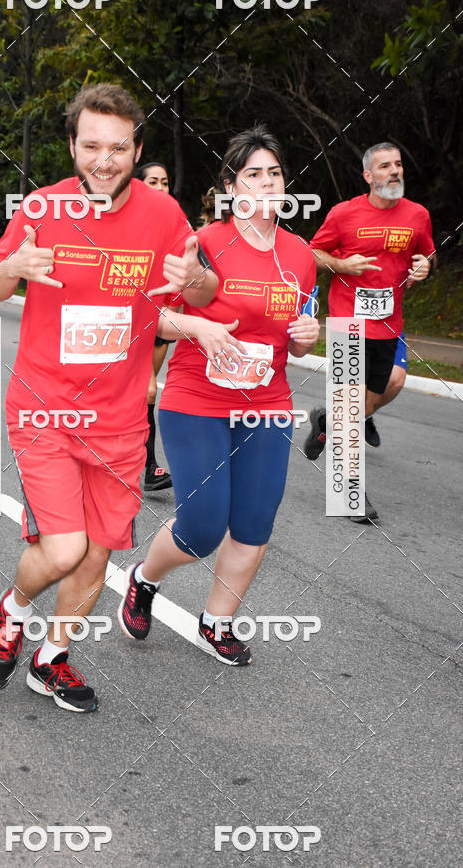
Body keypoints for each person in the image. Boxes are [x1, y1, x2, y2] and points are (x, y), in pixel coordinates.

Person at [0, 83, 237, 712]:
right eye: (91, 145)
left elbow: (187, 297)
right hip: (45, 411)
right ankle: (11, 612)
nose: (104, 159)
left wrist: (197, 294)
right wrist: (15, 267)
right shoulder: (41, 209)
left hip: (119, 422)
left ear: (136, 148)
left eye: (118, 147)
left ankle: (52, 659)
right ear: (72, 146)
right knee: (64, 548)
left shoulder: (163, 216)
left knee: (96, 556)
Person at [118, 125, 319, 666]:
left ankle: (217, 622)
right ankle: (144, 577)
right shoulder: (202, 244)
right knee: (203, 524)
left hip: (267, 402)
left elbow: (296, 337)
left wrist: (307, 336)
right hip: (195, 397)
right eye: (253, 173)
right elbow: (155, 321)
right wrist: (196, 325)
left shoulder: (300, 255)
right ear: (231, 187)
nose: (267, 182)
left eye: (274, 173)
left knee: (254, 521)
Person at [304, 143, 435, 521]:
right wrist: (342, 265)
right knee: (349, 404)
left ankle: (325, 423)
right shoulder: (344, 214)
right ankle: (347, 495)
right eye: (385, 166)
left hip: (388, 323)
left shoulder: (418, 215)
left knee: (372, 398)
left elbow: (425, 254)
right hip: (348, 319)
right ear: (368, 176)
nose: (395, 171)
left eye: (398, 164)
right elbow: (313, 253)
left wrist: (424, 266)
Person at [136, 161, 173, 490]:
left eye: (164, 182)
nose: (160, 187)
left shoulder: (175, 226)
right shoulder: (126, 224)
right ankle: (149, 467)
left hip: (161, 323)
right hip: (125, 324)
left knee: (143, 396)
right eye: (153, 181)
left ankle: (146, 467)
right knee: (145, 391)